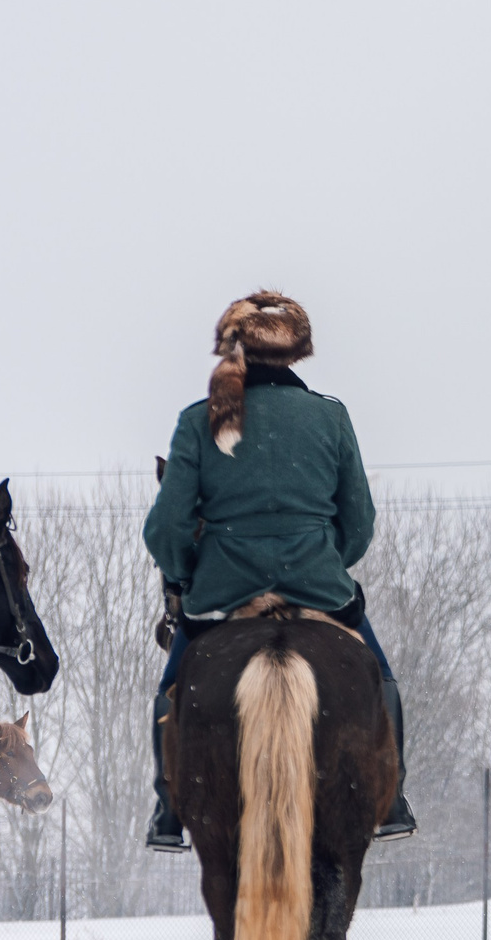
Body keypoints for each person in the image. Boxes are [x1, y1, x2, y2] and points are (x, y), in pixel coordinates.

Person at [141, 292, 413, 853]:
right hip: (319, 589)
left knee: (170, 691)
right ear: (296, 353)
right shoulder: (330, 417)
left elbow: (165, 530)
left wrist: (190, 575)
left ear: (237, 349)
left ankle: (168, 808)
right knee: (380, 677)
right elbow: (359, 523)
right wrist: (320, 556)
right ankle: (392, 800)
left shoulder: (199, 421)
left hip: (222, 595)